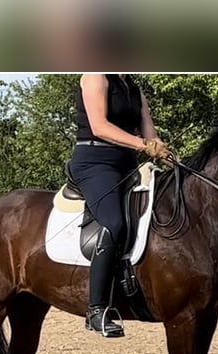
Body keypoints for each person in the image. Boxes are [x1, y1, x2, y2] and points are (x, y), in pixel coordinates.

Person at [70, 74, 171, 337]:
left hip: (127, 165)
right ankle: (96, 309)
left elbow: (150, 134)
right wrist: (143, 145)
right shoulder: (96, 76)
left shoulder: (136, 90)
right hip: (94, 162)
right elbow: (100, 127)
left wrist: (167, 154)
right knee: (114, 222)